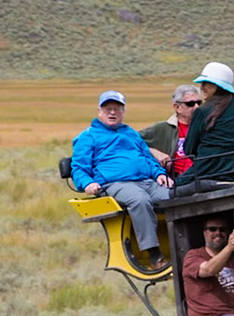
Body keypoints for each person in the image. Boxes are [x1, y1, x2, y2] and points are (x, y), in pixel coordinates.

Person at [69, 91, 172, 261]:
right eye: (108, 109)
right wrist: (87, 183)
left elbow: (147, 157)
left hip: (147, 181)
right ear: (99, 112)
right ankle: (154, 254)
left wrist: (159, 174)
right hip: (116, 184)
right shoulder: (88, 137)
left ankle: (183, 245)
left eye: (117, 109)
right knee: (139, 200)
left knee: (173, 196)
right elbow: (78, 168)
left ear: (123, 112)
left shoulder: (130, 133)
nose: (112, 112)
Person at [181, 62, 234, 189]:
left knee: (172, 191)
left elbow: (189, 149)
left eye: (206, 83)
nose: (202, 87)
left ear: (218, 86)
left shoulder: (203, 111)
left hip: (208, 170)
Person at [142, 84, 202, 177]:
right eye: (190, 104)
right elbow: (132, 140)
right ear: (177, 107)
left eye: (199, 102)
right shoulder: (163, 128)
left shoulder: (207, 127)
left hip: (201, 176)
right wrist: (154, 152)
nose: (196, 107)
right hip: (174, 179)